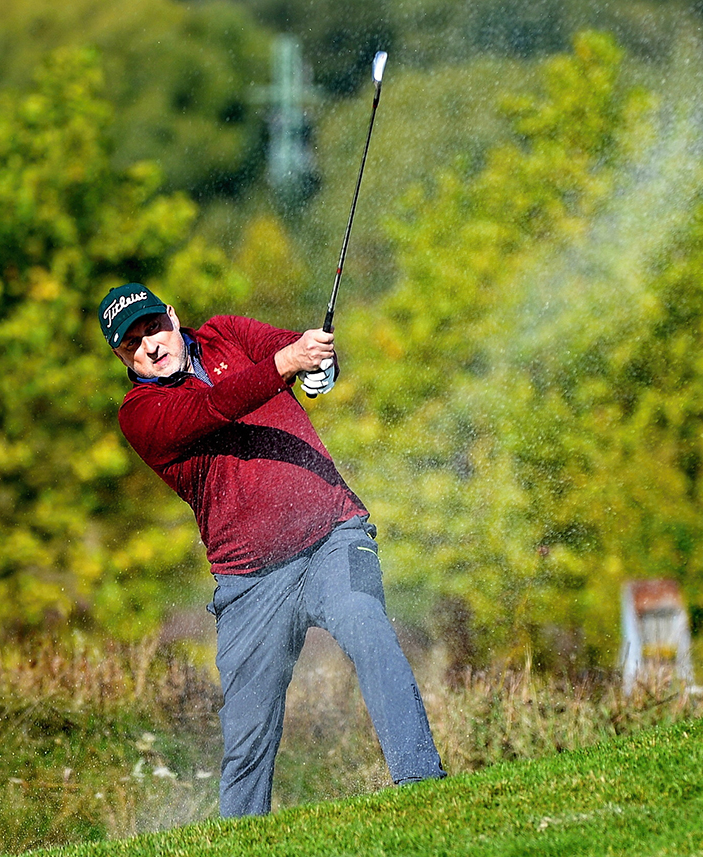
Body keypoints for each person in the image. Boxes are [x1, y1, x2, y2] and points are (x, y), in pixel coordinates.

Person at [99, 283, 445, 818]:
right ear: (124, 359)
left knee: (366, 624)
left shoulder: (226, 333)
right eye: (133, 344)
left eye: (154, 328)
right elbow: (215, 406)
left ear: (172, 315)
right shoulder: (141, 413)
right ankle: (241, 838)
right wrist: (287, 363)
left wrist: (320, 366)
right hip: (249, 582)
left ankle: (421, 784)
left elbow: (296, 348)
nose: (150, 345)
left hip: (334, 535)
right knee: (248, 733)